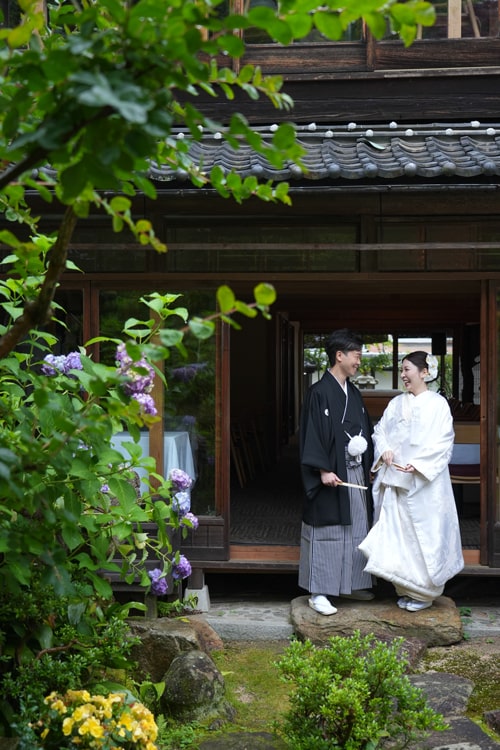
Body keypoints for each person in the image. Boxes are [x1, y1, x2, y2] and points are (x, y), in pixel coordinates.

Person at [358, 351, 464, 612]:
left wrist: (418, 464)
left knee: (423, 537)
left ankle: (424, 593)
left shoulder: (438, 405)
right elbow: (380, 430)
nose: (403, 375)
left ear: (424, 372)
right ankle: (405, 588)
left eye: (407, 370)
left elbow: (443, 441)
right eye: (402, 370)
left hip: (424, 484)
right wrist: (384, 449)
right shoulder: (396, 403)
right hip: (395, 479)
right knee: (398, 537)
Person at [299, 328, 375, 616]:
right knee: (327, 530)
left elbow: (364, 429)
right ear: (339, 355)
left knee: (356, 527)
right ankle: (318, 591)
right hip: (330, 474)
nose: (358, 361)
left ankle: (352, 584)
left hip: (354, 471)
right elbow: (312, 433)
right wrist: (322, 469)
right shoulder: (318, 392)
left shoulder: (353, 392)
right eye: (356, 355)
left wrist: (368, 464)